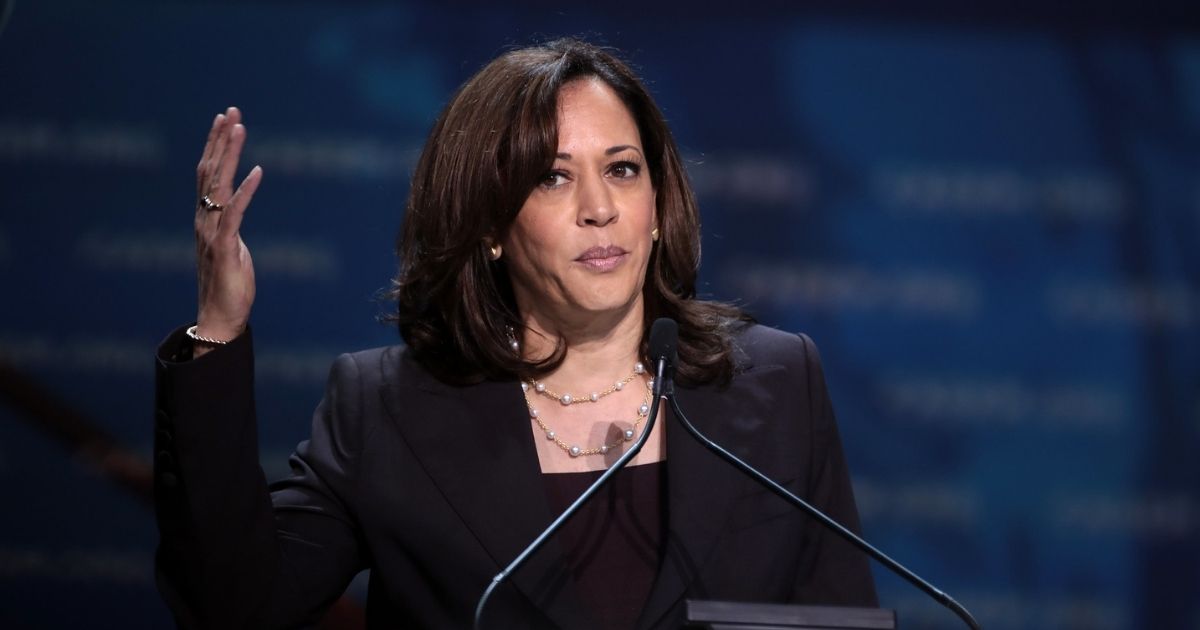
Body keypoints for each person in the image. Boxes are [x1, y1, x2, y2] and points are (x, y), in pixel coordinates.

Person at [154, 38, 877, 629]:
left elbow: (836, 616)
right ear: (490, 225)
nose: (600, 208)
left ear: (658, 205)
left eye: (622, 170)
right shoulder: (387, 410)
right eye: (551, 178)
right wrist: (217, 329)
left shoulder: (777, 384)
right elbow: (234, 604)